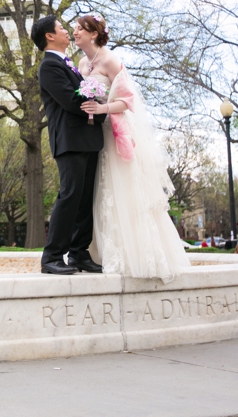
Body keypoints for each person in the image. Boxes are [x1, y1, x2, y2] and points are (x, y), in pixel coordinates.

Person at [73, 15, 191, 283]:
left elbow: (127, 102)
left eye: (80, 29)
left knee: (122, 190)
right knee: (97, 193)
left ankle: (136, 255)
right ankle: (98, 254)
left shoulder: (110, 60)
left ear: (93, 34)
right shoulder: (81, 63)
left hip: (113, 134)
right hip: (92, 136)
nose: (75, 32)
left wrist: (101, 107)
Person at [31, 16, 107, 275]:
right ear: (49, 36)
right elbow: (70, 101)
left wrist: (99, 107)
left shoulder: (69, 64)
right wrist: (101, 111)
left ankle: (78, 253)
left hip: (88, 138)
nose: (67, 31)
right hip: (70, 140)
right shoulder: (49, 66)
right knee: (70, 195)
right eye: (62, 28)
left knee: (85, 199)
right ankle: (51, 256)